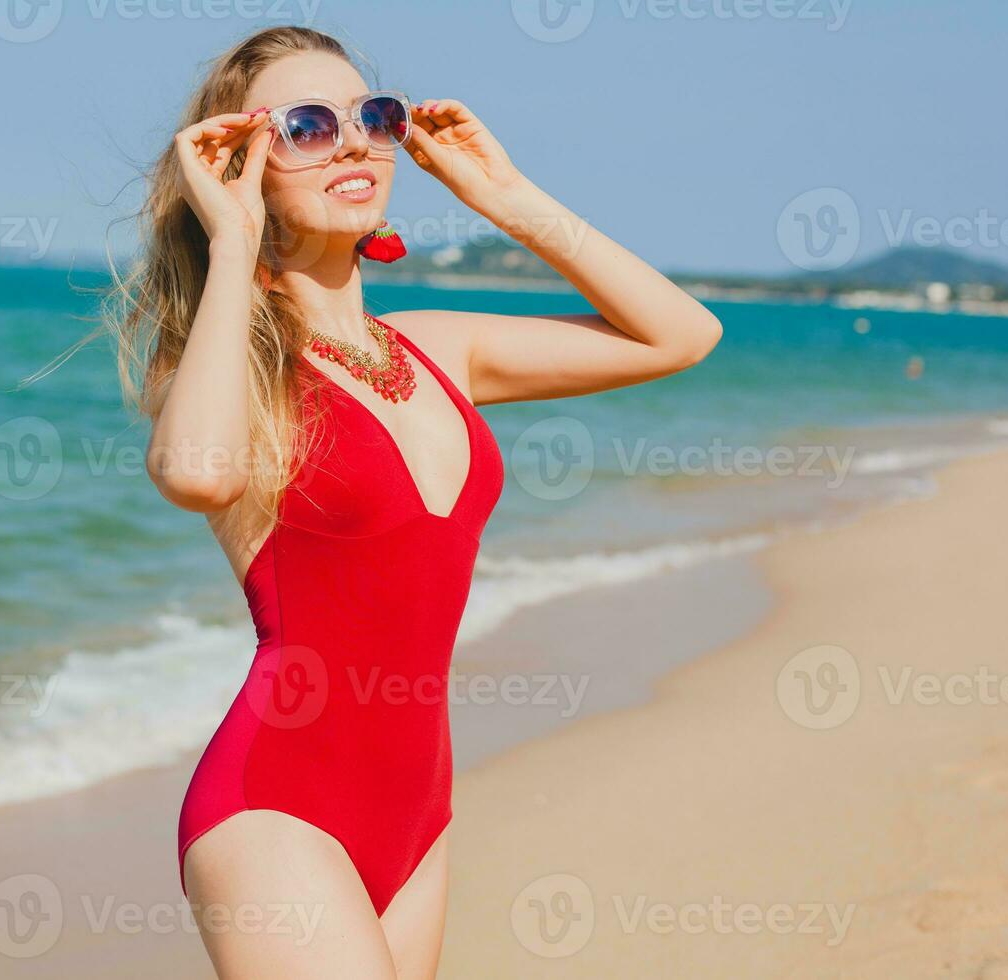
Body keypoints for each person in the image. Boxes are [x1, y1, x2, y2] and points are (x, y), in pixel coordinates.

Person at [119, 26, 722, 979]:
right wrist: (232, 243)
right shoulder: (227, 364)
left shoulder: (441, 346)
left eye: (375, 117)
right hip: (277, 807)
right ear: (241, 164)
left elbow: (680, 335)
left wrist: (507, 200)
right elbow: (197, 473)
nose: (356, 142)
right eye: (309, 126)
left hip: (418, 810)